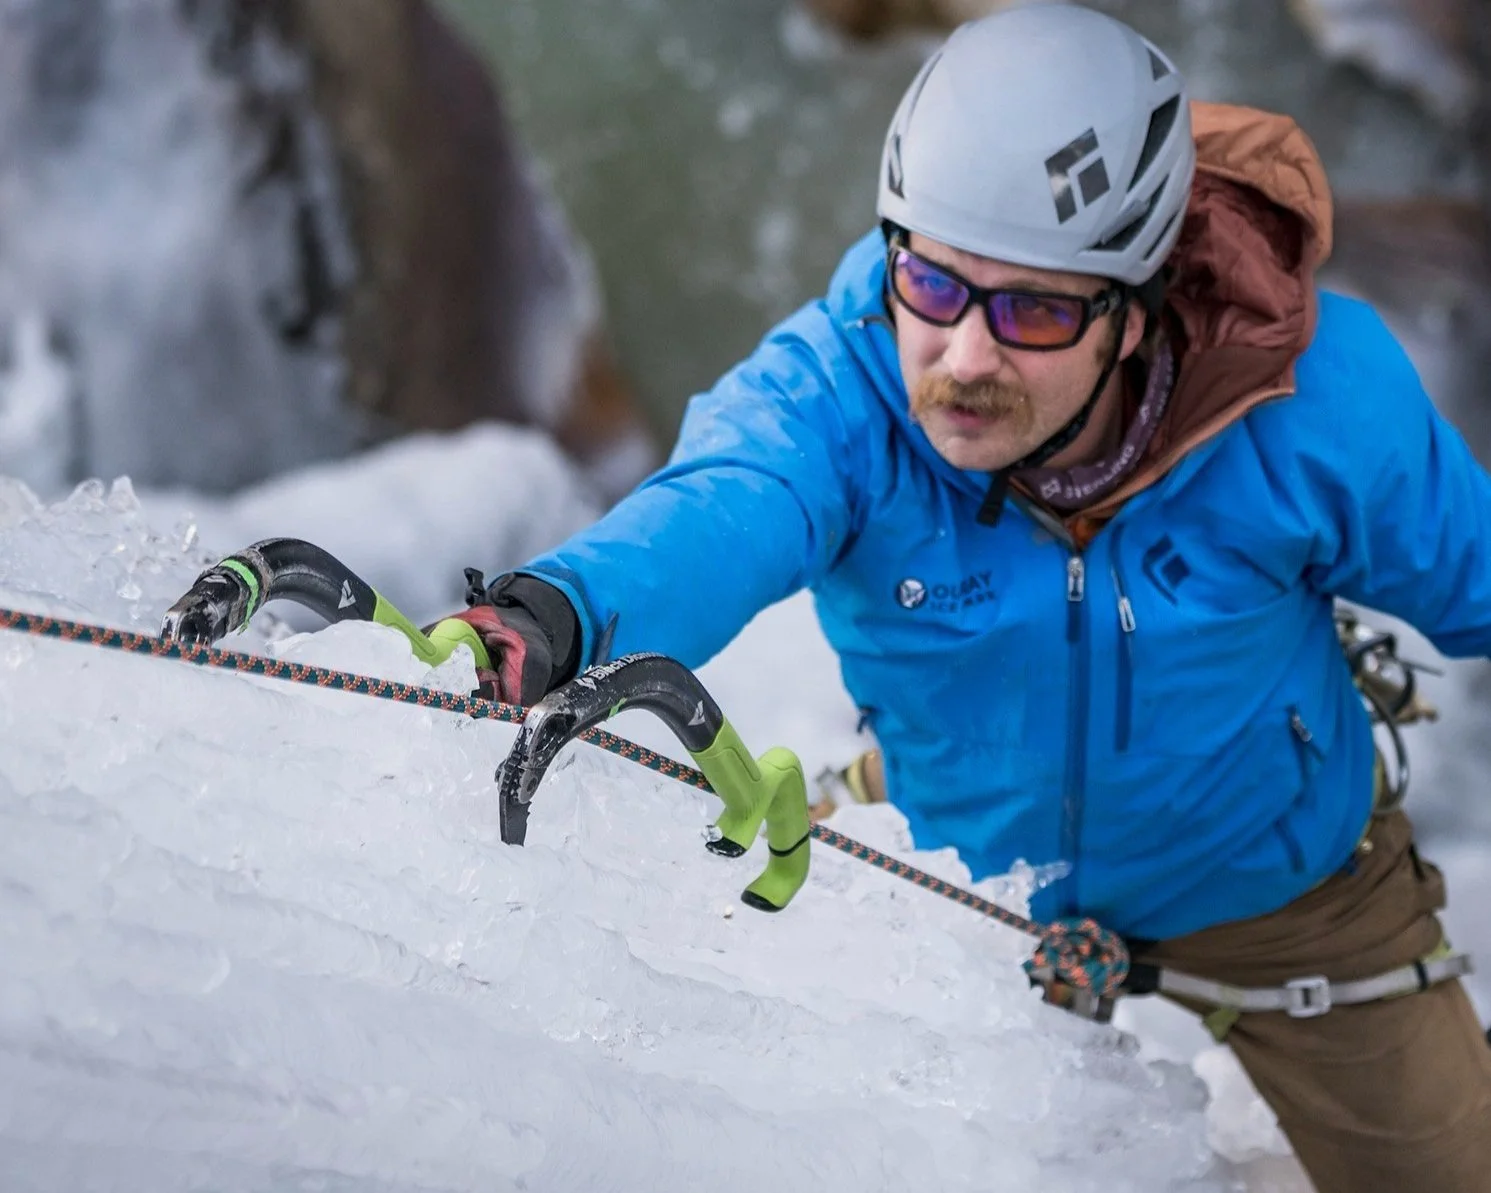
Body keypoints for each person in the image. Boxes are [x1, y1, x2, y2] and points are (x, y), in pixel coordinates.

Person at [448, 6, 1491, 1188]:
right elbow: (723, 505)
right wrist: (556, 613)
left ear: (1134, 310)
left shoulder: (1317, 405)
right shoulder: (841, 384)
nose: (966, 355)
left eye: (1035, 309)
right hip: (957, 862)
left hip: (1278, 874)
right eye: (933, 282)